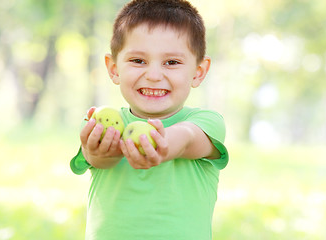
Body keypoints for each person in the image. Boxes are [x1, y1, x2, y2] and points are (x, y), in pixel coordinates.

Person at [70, 0, 229, 239]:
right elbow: (98, 159)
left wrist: (162, 146)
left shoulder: (207, 123)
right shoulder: (100, 123)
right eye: (138, 61)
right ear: (114, 69)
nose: (154, 75)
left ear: (198, 72)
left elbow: (186, 138)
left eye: (172, 62)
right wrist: (101, 152)